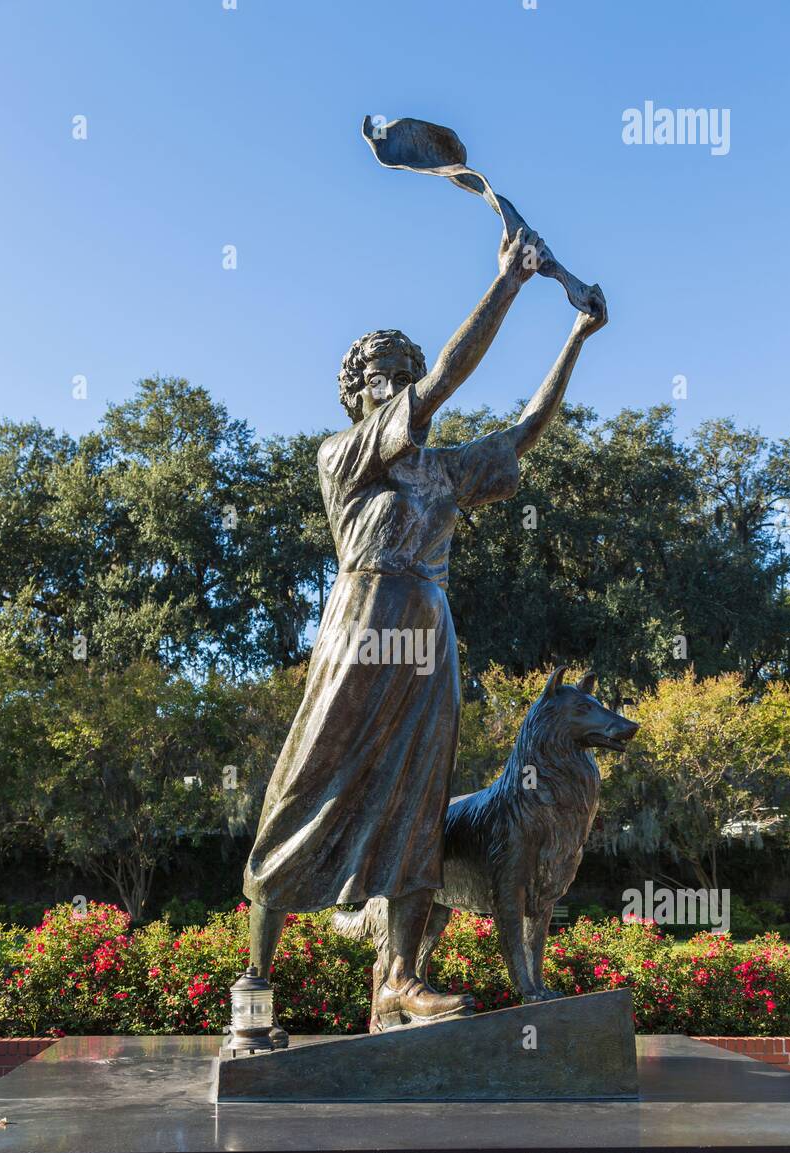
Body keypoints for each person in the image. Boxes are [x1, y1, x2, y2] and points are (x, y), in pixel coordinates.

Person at [243, 227, 608, 1041]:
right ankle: (255, 989)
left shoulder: (442, 472)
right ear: (356, 392)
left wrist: (575, 335)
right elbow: (446, 380)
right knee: (305, 788)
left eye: (402, 374)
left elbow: (524, 431)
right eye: (383, 377)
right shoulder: (344, 455)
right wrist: (509, 283)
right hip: (363, 630)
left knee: (417, 804)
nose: (399, 385)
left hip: (430, 633)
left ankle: (400, 981)